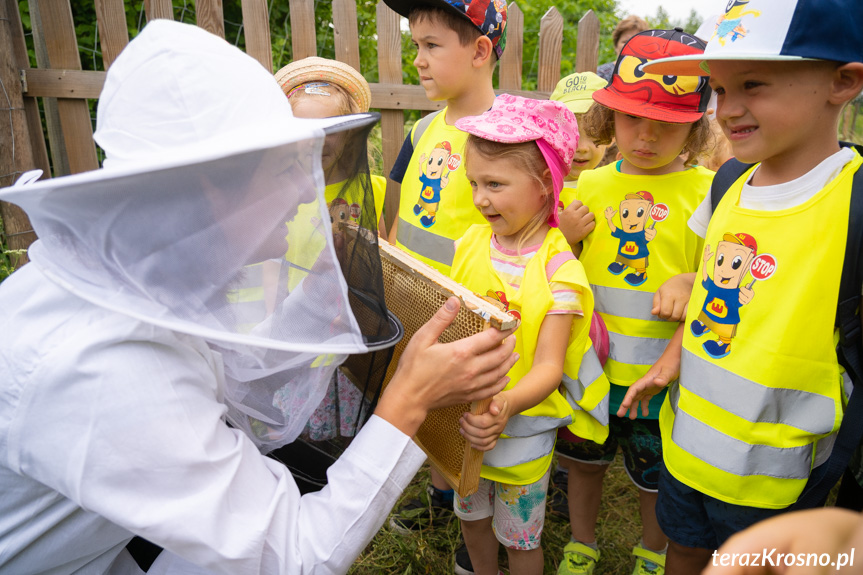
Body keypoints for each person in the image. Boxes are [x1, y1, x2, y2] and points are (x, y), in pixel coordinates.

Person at [0, 20, 519, 575]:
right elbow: (294, 557)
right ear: (209, 192)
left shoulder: (131, 281)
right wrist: (410, 401)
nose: (289, 222)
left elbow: (239, 386)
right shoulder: (99, 369)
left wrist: (329, 298)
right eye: (278, 188)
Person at [617, 0, 863, 573]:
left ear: (843, 81)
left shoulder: (852, 203)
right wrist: (674, 352)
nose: (729, 110)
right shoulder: (728, 183)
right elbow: (713, 282)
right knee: (685, 547)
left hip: (777, 478)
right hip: (686, 447)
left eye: (752, 83)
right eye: (721, 89)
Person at [553, 29, 715, 575]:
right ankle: (581, 541)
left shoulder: (709, 193)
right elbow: (558, 268)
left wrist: (691, 277)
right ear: (608, 119)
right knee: (583, 463)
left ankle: (653, 550)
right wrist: (568, 236)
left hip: (661, 373)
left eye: (666, 123)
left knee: (655, 473)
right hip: (589, 366)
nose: (646, 135)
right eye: (630, 119)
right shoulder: (591, 185)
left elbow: (720, 274)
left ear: (694, 126)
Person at [450, 94, 609, 575]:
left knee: (519, 539)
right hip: (463, 423)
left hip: (520, 430)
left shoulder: (559, 270)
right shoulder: (472, 241)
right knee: (471, 518)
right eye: (474, 182)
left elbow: (548, 367)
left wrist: (504, 406)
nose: (480, 198)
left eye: (495, 184)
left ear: (544, 186)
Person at [379, 2, 507, 571]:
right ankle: (439, 495)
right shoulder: (422, 128)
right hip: (416, 298)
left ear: (480, 50)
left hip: (474, 309)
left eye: (432, 46)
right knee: (427, 403)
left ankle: (480, 510)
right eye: (416, 46)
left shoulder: (509, 135)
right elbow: (397, 205)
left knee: (469, 415)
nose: (418, 60)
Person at [275, 56, 388, 234]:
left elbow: (381, 253)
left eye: (331, 129)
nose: (317, 142)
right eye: (305, 130)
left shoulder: (368, 190)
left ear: (350, 134)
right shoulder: (275, 191)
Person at [596, 15, 650, 82]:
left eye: (636, 41)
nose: (630, 46)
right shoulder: (600, 75)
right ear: (616, 46)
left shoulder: (651, 75)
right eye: (625, 42)